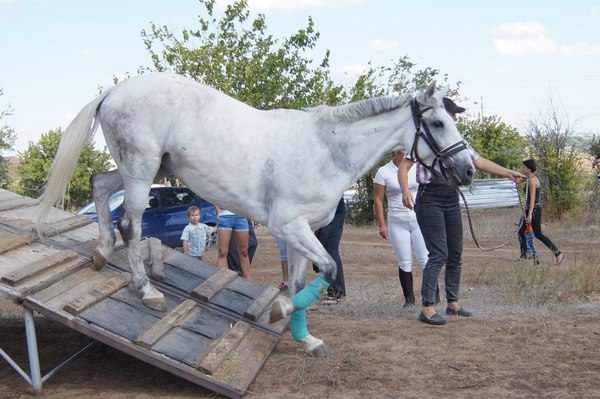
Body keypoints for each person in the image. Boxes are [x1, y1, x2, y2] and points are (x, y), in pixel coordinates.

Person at [398, 97, 525, 326]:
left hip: (450, 197)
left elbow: (479, 161)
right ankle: (427, 308)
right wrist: (406, 191)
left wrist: (508, 172)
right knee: (438, 254)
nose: (456, 118)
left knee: (455, 252)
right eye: (453, 114)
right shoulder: (425, 139)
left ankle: (453, 303)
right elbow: (404, 167)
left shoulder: (458, 140)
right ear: (443, 115)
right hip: (429, 199)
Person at [374, 150, 428, 308]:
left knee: (425, 258)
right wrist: (382, 224)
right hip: (397, 221)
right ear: (394, 150)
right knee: (405, 261)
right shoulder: (384, 172)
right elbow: (378, 200)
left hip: (418, 219)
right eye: (401, 147)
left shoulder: (417, 166)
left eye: (407, 147)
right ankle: (409, 299)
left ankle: (431, 296)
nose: (404, 151)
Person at [517, 159, 564, 265]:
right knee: (520, 232)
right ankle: (524, 255)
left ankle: (557, 253)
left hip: (534, 210)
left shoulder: (533, 180)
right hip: (529, 209)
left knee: (538, 234)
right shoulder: (529, 178)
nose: (522, 168)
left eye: (524, 167)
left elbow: (533, 198)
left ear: (529, 169)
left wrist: (529, 214)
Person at [312, 197, 347, 304]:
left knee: (330, 250)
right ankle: (332, 289)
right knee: (324, 249)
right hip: (325, 210)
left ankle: (336, 292)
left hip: (332, 210)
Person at [215, 207, 252, 280]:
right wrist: (218, 211)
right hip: (225, 217)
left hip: (241, 216)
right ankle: (219, 281)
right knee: (222, 252)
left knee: (244, 252)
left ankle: (249, 281)